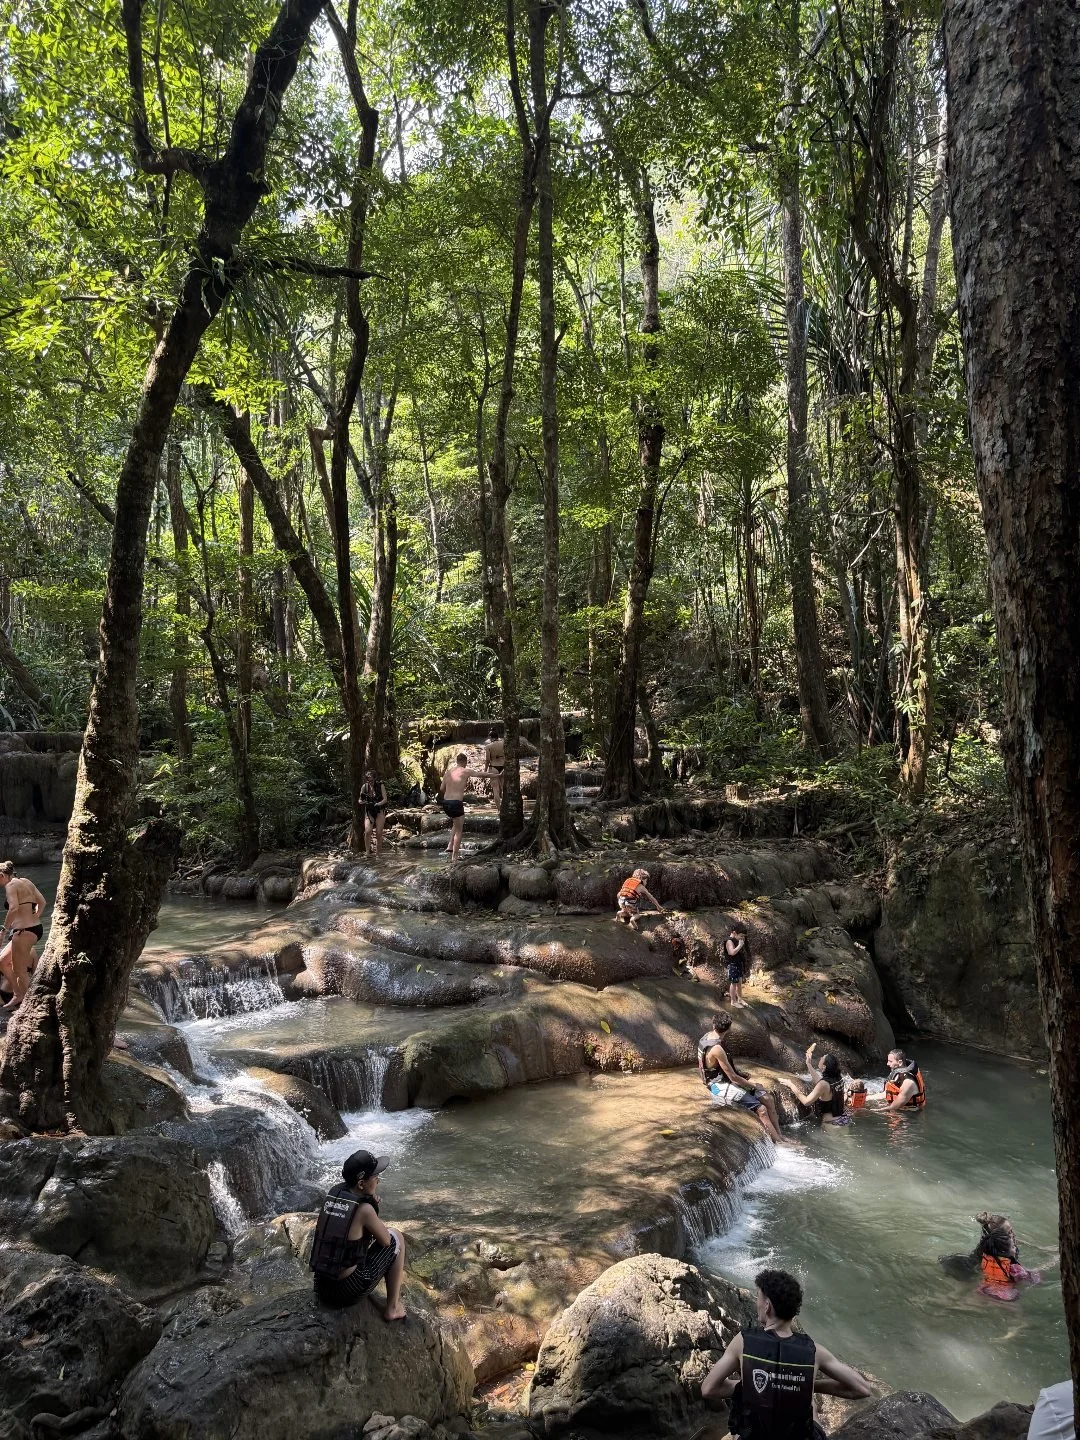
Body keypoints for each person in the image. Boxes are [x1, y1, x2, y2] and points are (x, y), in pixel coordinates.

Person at [701, 1267, 873, 1432]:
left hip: (756, 1435)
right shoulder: (814, 1351)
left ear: (767, 1306)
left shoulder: (743, 1341)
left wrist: (753, 1386)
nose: (756, 1302)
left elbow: (708, 1388)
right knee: (810, 1404)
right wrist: (806, 1386)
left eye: (757, 1297)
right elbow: (862, 1389)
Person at [309, 1148, 406, 1319]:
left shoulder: (334, 1194)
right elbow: (385, 1241)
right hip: (347, 1290)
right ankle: (393, 1308)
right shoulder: (365, 1210)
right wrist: (372, 1207)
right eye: (375, 1177)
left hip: (321, 1285)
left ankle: (392, 1307)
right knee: (396, 1237)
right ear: (361, 1184)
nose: (378, 1181)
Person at [697, 1010, 784, 1144]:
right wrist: (755, 1086)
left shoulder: (707, 1036)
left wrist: (741, 1074)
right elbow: (733, 1078)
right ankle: (779, 1142)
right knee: (761, 1109)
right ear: (729, 1029)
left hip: (724, 1079)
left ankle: (780, 1136)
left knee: (768, 1099)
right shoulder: (717, 1049)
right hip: (718, 1086)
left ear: (713, 1025)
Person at [0, 861, 46, 1011]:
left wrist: (3, 930)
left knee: (20, 971)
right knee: (3, 961)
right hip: (34, 928)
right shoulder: (26, 881)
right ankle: (18, 994)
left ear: (2, 875)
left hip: (23, 931)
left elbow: (13, 908)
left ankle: (30, 1005)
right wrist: (34, 918)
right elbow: (42, 902)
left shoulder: (10, 886)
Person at [438, 751, 488, 863]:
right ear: (465, 762)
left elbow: (441, 788)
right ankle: (455, 858)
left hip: (446, 804)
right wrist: (497, 775)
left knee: (456, 822)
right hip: (456, 803)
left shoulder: (448, 772)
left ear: (457, 761)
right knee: (459, 831)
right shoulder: (465, 771)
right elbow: (481, 774)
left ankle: (450, 845)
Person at [779, 1045, 848, 1124]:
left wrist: (791, 1084)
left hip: (832, 1123)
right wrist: (808, 1064)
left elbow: (806, 1102)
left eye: (822, 1058)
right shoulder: (838, 1078)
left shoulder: (823, 1084)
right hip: (843, 1118)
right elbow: (820, 1082)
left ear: (824, 1066)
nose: (820, 1058)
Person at [359, 769, 389, 857]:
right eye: (368, 781)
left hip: (379, 810)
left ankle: (378, 854)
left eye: (371, 780)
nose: (370, 782)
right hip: (369, 811)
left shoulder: (380, 785)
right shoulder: (364, 787)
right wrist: (362, 802)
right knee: (368, 831)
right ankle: (367, 852)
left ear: (375, 779)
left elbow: (385, 799)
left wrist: (378, 804)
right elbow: (360, 799)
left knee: (379, 833)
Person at [726, 924, 750, 1007]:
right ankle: (733, 1001)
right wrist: (740, 946)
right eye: (741, 936)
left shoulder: (736, 940)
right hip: (732, 965)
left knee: (739, 982)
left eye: (743, 936)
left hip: (738, 964)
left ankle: (740, 999)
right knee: (733, 983)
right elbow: (731, 952)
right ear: (734, 933)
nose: (742, 938)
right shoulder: (729, 941)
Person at [484, 727, 505, 810]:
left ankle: (499, 810)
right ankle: (506, 808)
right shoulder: (503, 743)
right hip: (503, 767)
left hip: (493, 767)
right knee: (504, 789)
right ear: (497, 737)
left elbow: (487, 760)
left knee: (496, 790)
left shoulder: (488, 746)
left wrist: (485, 771)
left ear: (490, 738)